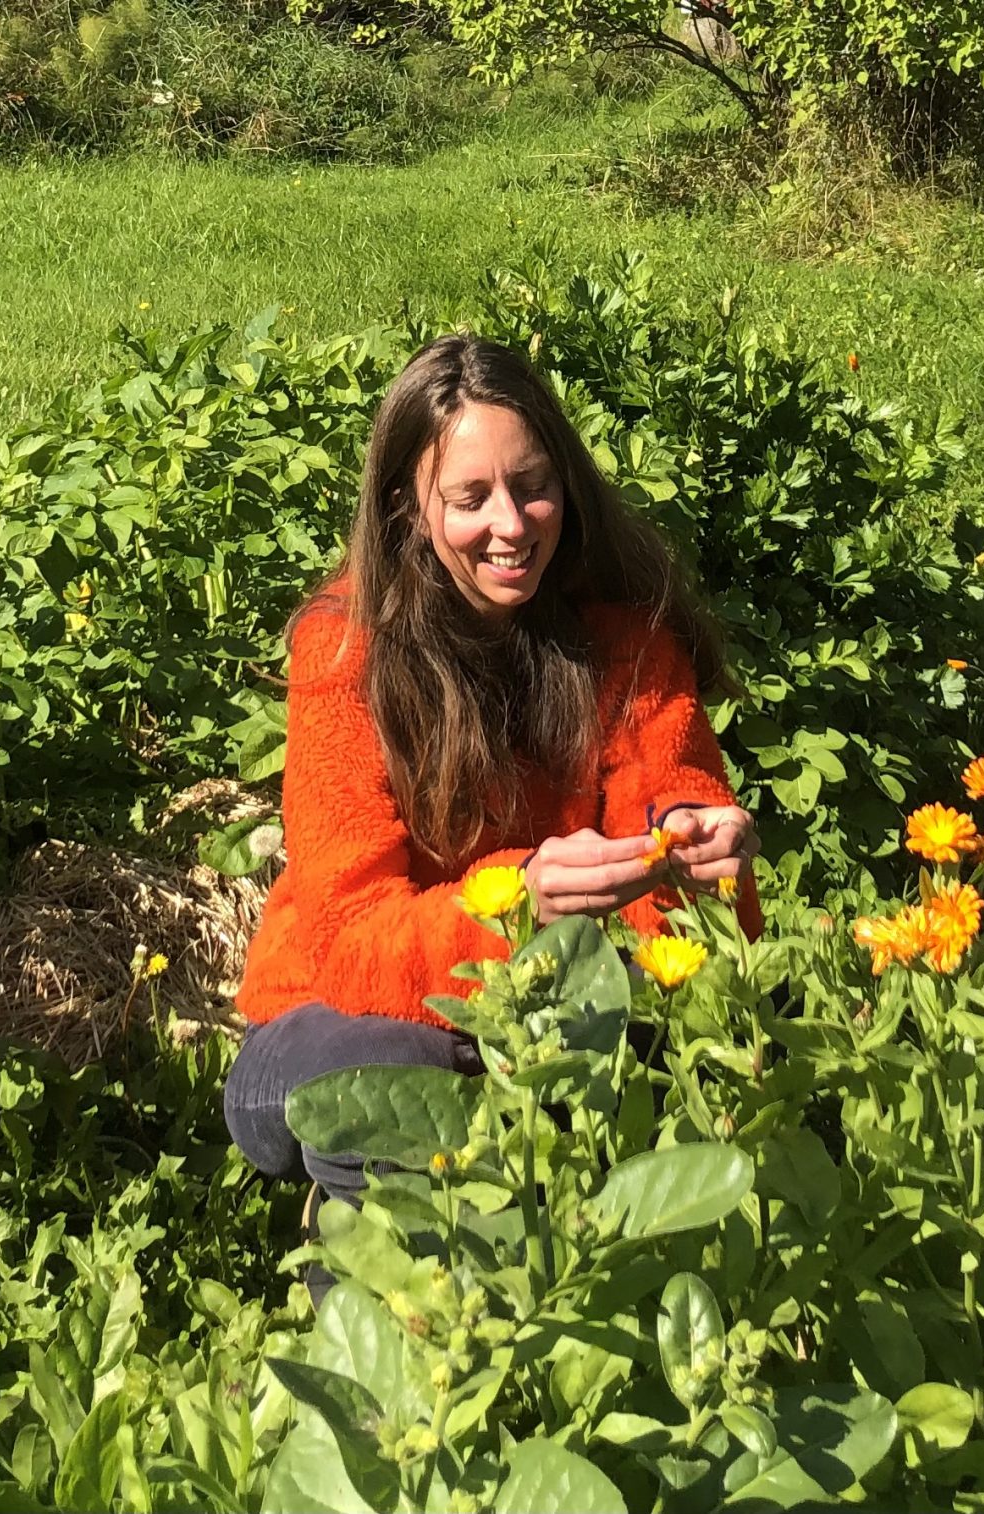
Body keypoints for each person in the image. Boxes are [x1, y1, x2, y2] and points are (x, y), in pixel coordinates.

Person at [221, 333, 764, 1247]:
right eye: (470, 498)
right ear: (407, 508)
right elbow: (351, 941)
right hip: (339, 1015)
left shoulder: (627, 639)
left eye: (533, 485)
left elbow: (673, 808)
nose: (512, 524)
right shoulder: (347, 652)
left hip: (554, 1010)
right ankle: (384, 1333)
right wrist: (521, 909)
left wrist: (691, 846)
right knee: (408, 1075)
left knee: (727, 1029)